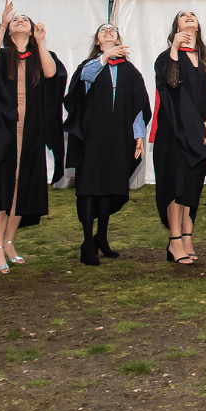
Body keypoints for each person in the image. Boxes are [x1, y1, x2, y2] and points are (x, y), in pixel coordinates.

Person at [0, 2, 66, 273]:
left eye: (25, 19)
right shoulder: (3, 54)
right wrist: (2, 23)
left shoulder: (40, 55)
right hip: (2, 131)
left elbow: (51, 73)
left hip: (31, 132)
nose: (20, 20)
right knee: (0, 186)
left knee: (21, 187)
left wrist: (40, 41)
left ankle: (9, 242)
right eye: (16, 20)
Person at [64, 23, 150, 265]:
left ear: (119, 39)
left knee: (111, 187)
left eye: (113, 30)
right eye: (103, 31)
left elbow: (138, 105)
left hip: (119, 137)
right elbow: (85, 78)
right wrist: (105, 57)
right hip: (92, 137)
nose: (109, 32)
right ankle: (87, 243)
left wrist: (139, 135)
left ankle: (101, 236)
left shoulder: (130, 71)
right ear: (97, 42)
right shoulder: (90, 66)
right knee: (90, 188)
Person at [153, 10, 206, 266]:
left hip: (203, 133)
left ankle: (188, 237)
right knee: (176, 185)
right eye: (183, 15)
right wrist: (175, 47)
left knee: (192, 186)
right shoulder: (166, 57)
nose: (189, 16)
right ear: (176, 27)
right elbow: (171, 83)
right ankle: (174, 240)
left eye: (193, 14)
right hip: (175, 133)